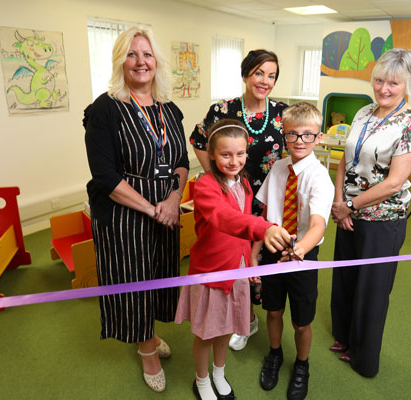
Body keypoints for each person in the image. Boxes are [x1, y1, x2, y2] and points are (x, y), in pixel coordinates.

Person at [83, 26, 189, 392]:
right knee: (134, 281)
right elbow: (105, 177)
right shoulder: (106, 109)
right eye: (132, 54)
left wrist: (173, 199)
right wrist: (151, 207)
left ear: (156, 61)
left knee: (159, 276)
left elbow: (180, 160)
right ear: (120, 62)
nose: (141, 61)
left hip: (166, 211)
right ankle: (146, 349)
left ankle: (150, 332)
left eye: (147, 54)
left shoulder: (168, 109)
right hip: (125, 215)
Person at [175, 119, 292, 400]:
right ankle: (202, 380)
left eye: (240, 154)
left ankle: (218, 372)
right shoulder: (205, 186)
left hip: (236, 270)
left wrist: (249, 261)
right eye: (226, 154)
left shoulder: (245, 183)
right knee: (206, 332)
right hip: (212, 272)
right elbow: (225, 219)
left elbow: (242, 229)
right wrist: (263, 228)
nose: (234, 160)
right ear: (212, 154)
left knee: (225, 328)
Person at [329, 48, 411, 378]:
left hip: (382, 221)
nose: (384, 88)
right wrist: (339, 203)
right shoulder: (363, 112)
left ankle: (363, 357)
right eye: (379, 80)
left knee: (371, 291)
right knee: (345, 280)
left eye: (394, 83)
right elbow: (345, 159)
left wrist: (351, 205)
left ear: (408, 85)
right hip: (347, 213)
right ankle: (343, 338)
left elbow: (394, 182)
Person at [190, 49, 288, 351]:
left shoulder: (283, 112)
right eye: (259, 73)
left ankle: (252, 317)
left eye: (271, 76)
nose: (265, 81)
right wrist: (218, 181)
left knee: (260, 260)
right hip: (233, 197)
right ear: (246, 74)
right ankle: (241, 320)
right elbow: (198, 140)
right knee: (231, 257)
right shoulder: (222, 110)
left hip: (269, 197)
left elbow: (301, 143)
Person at [253, 102, 335, 400]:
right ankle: (275, 354)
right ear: (283, 136)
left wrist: (297, 250)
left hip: (303, 255)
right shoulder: (276, 168)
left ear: (319, 136)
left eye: (307, 135)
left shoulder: (319, 177)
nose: (299, 142)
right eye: (292, 135)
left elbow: (317, 226)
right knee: (273, 310)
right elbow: (263, 216)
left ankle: (302, 364)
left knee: (302, 321)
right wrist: (254, 255)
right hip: (274, 251)